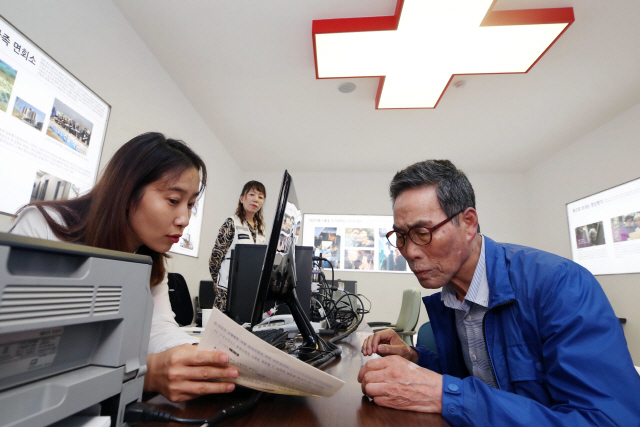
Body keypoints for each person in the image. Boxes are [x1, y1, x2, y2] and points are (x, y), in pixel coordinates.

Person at [358, 160, 640, 426]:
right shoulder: (450, 296)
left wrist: (446, 395)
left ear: (468, 223)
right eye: (401, 236)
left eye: (422, 232)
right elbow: (479, 377)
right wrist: (416, 359)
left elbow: (609, 420)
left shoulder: (560, 285)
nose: (409, 251)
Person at [9, 132, 238, 403]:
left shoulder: (148, 257)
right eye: (174, 201)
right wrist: (147, 374)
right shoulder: (42, 228)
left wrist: (199, 357)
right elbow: (21, 356)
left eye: (190, 205)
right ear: (127, 191)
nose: (184, 219)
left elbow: (159, 327)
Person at [209, 181, 266, 311]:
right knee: (222, 328)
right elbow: (216, 256)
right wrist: (216, 280)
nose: (255, 199)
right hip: (227, 288)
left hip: (249, 288)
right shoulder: (231, 222)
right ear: (242, 198)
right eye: (251, 194)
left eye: (260, 197)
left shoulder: (261, 229)